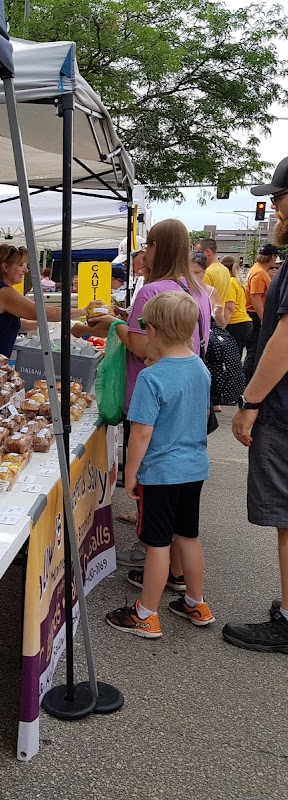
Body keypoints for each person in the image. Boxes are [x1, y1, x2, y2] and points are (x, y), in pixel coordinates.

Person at [88, 220, 212, 565]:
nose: (144, 252)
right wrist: (126, 316)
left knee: (153, 473)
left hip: (151, 397)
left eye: (148, 245)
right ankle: (178, 574)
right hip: (186, 400)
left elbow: (142, 346)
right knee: (182, 512)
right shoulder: (197, 288)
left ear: (157, 247)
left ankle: (150, 550)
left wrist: (114, 324)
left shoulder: (151, 290)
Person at [106, 291, 214, 638]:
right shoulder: (199, 367)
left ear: (152, 330)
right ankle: (196, 602)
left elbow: (140, 433)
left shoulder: (151, 378)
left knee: (157, 544)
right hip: (194, 468)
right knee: (188, 536)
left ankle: (145, 613)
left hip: (161, 472)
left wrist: (131, 473)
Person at [225, 156, 288, 653]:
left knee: (286, 515)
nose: (275, 213)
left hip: (283, 411)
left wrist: (249, 401)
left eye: (280, 201)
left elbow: (285, 340)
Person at [0, 244, 93, 375]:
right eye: (20, 264)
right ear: (5, 267)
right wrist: (83, 311)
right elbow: (42, 312)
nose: (26, 269)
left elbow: (10, 324)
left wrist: (47, 325)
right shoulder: (3, 292)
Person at [190, 251, 245, 408]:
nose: (193, 277)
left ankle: (211, 401)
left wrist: (218, 314)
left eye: (197, 273)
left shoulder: (210, 291)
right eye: (189, 273)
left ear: (204, 272)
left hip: (204, 340)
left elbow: (220, 324)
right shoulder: (180, 288)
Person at [243, 243, 280, 381]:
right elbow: (255, 297)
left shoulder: (257, 269)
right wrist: (264, 318)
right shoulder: (259, 273)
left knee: (254, 350)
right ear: (273, 257)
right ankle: (248, 380)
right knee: (254, 351)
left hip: (254, 314)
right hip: (255, 315)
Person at [219, 255, 252, 356]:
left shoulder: (230, 282)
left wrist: (222, 326)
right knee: (238, 357)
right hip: (244, 322)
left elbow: (229, 307)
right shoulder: (239, 282)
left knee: (231, 358)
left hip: (235, 324)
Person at [194, 237, 231, 307]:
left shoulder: (207, 272)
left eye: (198, 253)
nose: (196, 256)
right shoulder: (225, 270)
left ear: (207, 252)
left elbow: (201, 298)